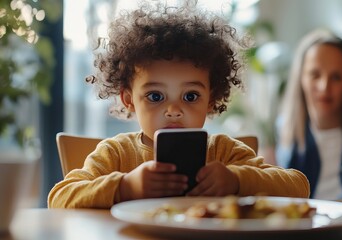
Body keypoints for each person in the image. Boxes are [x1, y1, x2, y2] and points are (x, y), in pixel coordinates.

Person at [48, 2, 310, 208]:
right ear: (128, 99)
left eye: (190, 96)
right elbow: (59, 197)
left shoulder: (224, 152)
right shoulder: (116, 154)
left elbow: (298, 186)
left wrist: (236, 180)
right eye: (155, 97)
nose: (173, 110)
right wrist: (126, 187)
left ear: (211, 99)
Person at [276, 29, 342, 199]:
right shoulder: (285, 128)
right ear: (301, 79)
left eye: (336, 77)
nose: (324, 87)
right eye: (315, 75)